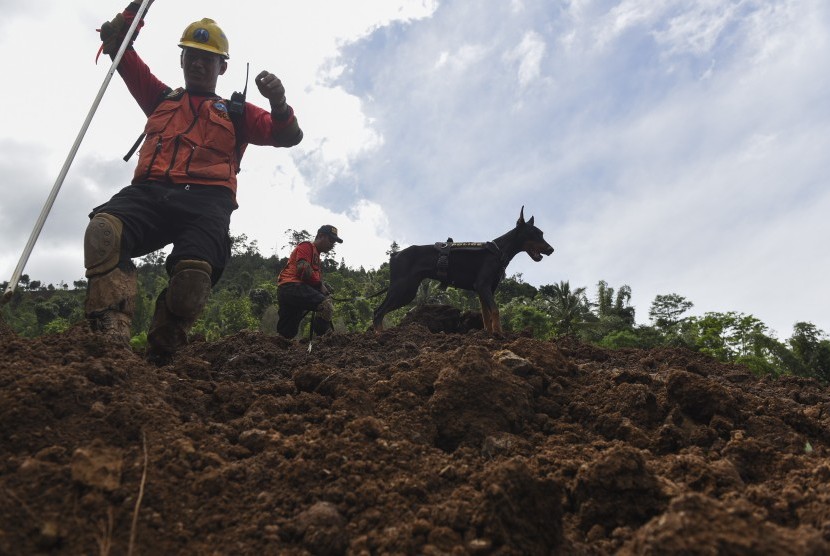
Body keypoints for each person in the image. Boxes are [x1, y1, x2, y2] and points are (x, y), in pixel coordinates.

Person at [84, 1, 303, 363]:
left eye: (208, 58)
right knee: (103, 233)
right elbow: (116, 43)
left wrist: (278, 101)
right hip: (149, 192)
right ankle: (109, 338)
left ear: (223, 66)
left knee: (193, 280)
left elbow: (287, 135)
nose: (199, 63)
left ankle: (164, 349)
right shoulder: (160, 97)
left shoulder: (235, 112)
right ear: (182, 60)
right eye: (192, 56)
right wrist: (137, 8)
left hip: (206, 202)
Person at [276, 225, 343, 339]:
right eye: (331, 240)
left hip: (285, 289)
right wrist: (319, 285)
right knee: (326, 306)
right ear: (321, 236)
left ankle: (276, 348)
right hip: (292, 286)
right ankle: (326, 340)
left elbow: (310, 277)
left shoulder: (316, 255)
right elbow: (303, 268)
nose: (332, 245)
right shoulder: (307, 246)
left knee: (287, 331)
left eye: (334, 242)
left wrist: (320, 287)